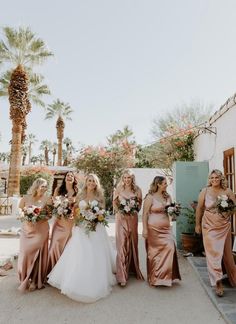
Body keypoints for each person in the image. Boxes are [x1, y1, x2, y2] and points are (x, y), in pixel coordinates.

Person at [47, 174, 116, 302]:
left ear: (96, 183)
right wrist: (78, 222)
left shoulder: (100, 195)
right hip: (82, 227)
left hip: (96, 227)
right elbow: (76, 211)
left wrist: (95, 218)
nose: (91, 183)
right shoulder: (80, 195)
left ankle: (95, 279)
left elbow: (103, 211)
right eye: (89, 180)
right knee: (81, 253)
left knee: (95, 253)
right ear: (86, 182)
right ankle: (76, 279)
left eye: (94, 181)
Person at [195, 169, 236, 297]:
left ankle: (233, 278)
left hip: (224, 226)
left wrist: (226, 212)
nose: (214, 180)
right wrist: (197, 224)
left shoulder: (227, 191)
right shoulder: (205, 191)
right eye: (212, 178)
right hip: (208, 225)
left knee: (228, 255)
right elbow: (199, 208)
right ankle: (218, 282)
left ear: (221, 179)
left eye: (216, 178)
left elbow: (234, 208)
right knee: (213, 254)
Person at [142, 176, 181, 287]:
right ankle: (155, 278)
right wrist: (144, 229)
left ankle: (166, 276)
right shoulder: (150, 197)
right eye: (164, 183)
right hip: (153, 228)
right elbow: (145, 214)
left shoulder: (167, 196)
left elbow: (171, 210)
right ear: (158, 184)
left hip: (166, 228)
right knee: (154, 253)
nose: (166, 185)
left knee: (170, 247)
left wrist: (174, 212)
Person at [18, 178, 52, 292]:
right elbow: (20, 211)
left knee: (38, 255)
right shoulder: (26, 198)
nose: (44, 188)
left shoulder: (48, 199)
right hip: (27, 229)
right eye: (42, 186)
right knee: (26, 253)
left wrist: (38, 219)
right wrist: (25, 216)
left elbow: (49, 215)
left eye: (46, 186)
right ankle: (25, 278)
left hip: (41, 229)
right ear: (36, 186)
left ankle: (35, 280)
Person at [113, 170, 144, 286]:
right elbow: (114, 203)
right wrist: (120, 210)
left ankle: (131, 269)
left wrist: (132, 207)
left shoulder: (137, 190)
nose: (126, 180)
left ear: (132, 179)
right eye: (125, 178)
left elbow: (139, 205)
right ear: (122, 178)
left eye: (129, 178)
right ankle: (121, 276)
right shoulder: (118, 189)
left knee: (132, 243)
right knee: (121, 245)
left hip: (132, 219)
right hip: (120, 218)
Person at [47, 171, 78, 274]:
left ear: (74, 179)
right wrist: (61, 205)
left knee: (67, 247)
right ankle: (51, 270)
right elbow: (54, 204)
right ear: (65, 178)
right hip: (60, 222)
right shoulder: (58, 190)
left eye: (71, 175)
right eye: (68, 175)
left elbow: (79, 207)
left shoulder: (77, 191)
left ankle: (63, 273)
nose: (69, 177)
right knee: (55, 244)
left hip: (70, 222)